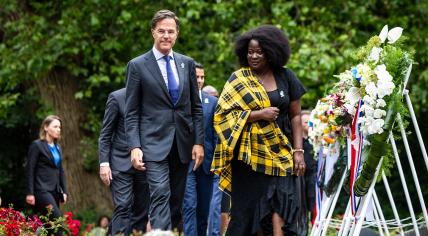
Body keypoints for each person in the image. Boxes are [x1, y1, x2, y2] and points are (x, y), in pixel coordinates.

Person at [211, 25, 307, 235]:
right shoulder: (238, 79)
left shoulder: (285, 76)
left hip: (281, 152)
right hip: (248, 160)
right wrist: (257, 115)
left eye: (259, 52)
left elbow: (296, 115)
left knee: (281, 205)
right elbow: (222, 116)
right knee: (252, 213)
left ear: (272, 52)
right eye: (250, 52)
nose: (253, 56)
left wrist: (298, 151)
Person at [125, 9, 204, 231]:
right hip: (152, 143)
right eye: (161, 31)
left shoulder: (186, 63)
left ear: (177, 34)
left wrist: (198, 142)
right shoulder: (137, 65)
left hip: (182, 143)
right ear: (153, 32)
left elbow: (196, 108)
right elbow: (131, 111)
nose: (166, 36)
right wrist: (135, 146)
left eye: (170, 31)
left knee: (177, 200)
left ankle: (167, 232)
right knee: (160, 192)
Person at [98, 88, 150, 235]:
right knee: (123, 205)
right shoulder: (117, 97)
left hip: (145, 163)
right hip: (120, 162)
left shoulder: (153, 96)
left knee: (141, 210)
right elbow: (105, 134)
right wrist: (104, 163)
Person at [182, 63, 218, 235]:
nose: (200, 80)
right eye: (196, 77)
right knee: (189, 205)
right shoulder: (179, 100)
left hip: (207, 163)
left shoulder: (212, 102)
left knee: (203, 210)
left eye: (202, 77)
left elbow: (215, 134)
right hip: (185, 161)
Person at [25, 115, 67, 226]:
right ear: (46, 127)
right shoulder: (37, 145)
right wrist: (30, 193)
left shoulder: (58, 147)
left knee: (49, 226)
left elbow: (60, 170)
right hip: (41, 190)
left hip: (55, 191)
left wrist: (64, 191)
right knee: (59, 223)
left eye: (59, 127)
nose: (58, 129)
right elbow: (30, 169)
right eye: (55, 126)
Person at [301, 110, 316, 222]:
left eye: (310, 122)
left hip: (312, 178)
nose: (309, 125)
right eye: (306, 122)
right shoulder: (296, 143)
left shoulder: (315, 140)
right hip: (300, 179)